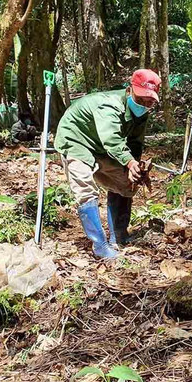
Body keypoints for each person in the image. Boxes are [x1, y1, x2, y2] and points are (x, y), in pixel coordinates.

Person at [54, 69, 160, 259]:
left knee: (126, 183)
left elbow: (135, 143)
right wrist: (128, 162)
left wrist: (135, 168)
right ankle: (100, 246)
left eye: (149, 101)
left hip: (101, 146)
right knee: (85, 188)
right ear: (129, 91)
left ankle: (118, 235)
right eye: (141, 98)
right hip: (76, 139)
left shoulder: (142, 113)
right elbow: (112, 141)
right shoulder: (109, 106)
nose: (144, 104)